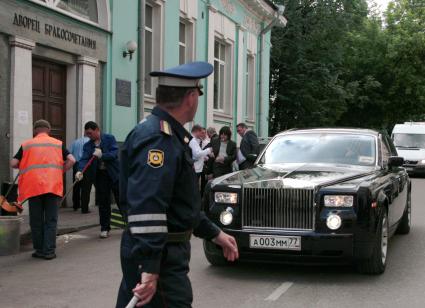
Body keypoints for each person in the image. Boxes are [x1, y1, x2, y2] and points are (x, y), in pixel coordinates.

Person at [116, 61, 239, 308]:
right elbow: (147, 207)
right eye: (198, 94)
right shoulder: (158, 139)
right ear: (191, 97)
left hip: (158, 253)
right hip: (161, 257)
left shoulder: (167, 135)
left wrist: (215, 233)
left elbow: (178, 204)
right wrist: (151, 267)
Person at [10, 119, 75, 260]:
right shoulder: (58, 144)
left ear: (35, 130)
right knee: (51, 220)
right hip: (52, 186)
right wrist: (61, 170)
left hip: (33, 188)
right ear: (49, 130)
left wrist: (23, 166)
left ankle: (39, 250)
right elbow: (72, 160)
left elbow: (13, 163)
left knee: (36, 220)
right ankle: (49, 251)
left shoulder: (27, 145)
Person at [75, 121, 121, 238]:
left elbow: (114, 154)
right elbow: (84, 159)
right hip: (100, 176)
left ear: (97, 130)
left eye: (90, 133)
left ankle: (131, 225)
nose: (89, 136)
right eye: (87, 134)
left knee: (121, 200)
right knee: (103, 202)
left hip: (114, 174)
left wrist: (102, 155)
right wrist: (80, 171)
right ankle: (105, 228)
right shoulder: (88, 146)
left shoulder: (109, 138)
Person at [69, 135, 90, 212]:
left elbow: (69, 153)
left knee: (76, 185)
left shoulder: (75, 142)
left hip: (77, 165)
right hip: (87, 165)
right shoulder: (90, 142)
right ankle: (84, 207)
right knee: (86, 186)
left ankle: (76, 205)